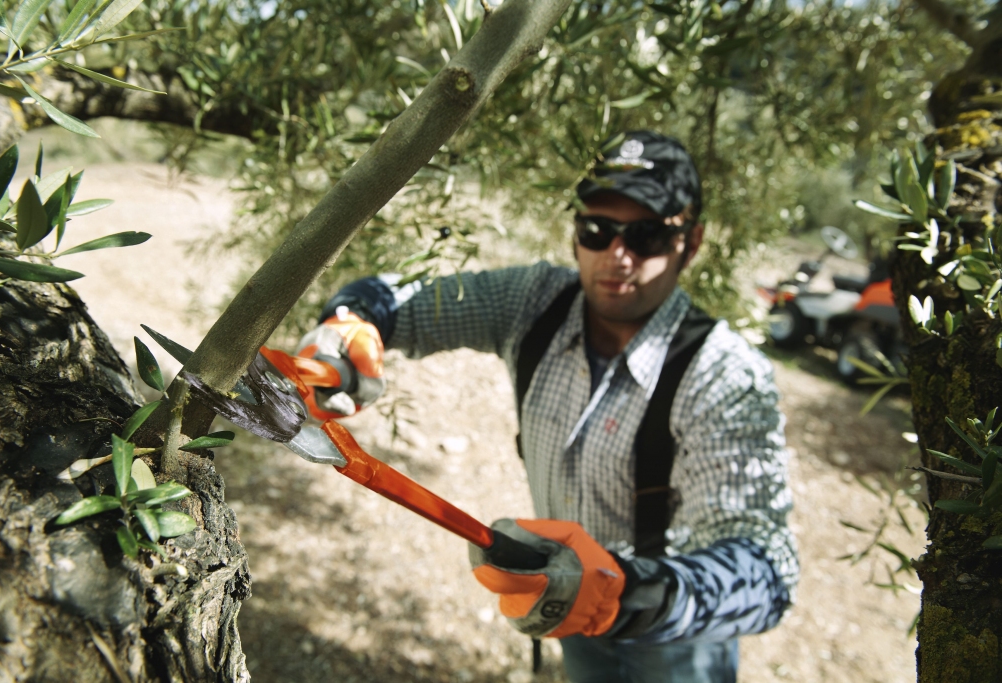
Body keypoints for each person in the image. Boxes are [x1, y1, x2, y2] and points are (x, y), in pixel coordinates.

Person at [304, 131, 798, 682]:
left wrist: (626, 592)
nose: (618, 254)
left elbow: (767, 572)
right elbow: (405, 299)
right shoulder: (534, 303)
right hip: (570, 619)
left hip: (676, 645)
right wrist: (351, 325)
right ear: (575, 235)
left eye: (648, 235)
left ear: (692, 242)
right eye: (597, 229)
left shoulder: (723, 373)